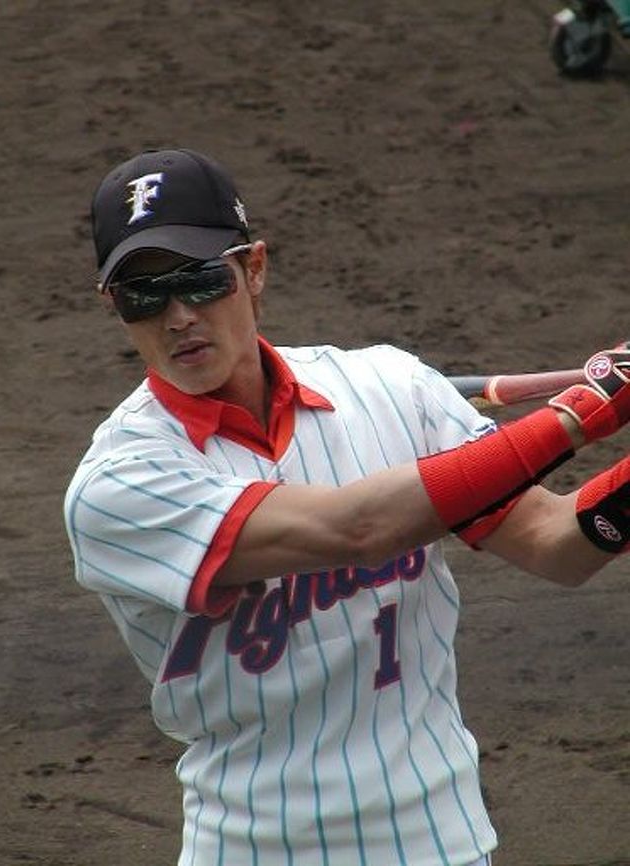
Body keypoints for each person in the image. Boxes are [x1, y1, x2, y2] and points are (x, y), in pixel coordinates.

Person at [64, 147, 630, 866]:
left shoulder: (390, 386)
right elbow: (358, 528)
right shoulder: (116, 485)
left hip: (442, 843)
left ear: (254, 270)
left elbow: (555, 542)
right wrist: (586, 412)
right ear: (112, 306)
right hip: (256, 850)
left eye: (201, 281)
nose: (178, 317)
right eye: (143, 296)